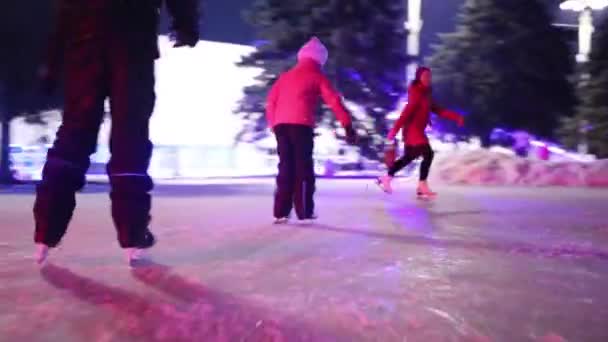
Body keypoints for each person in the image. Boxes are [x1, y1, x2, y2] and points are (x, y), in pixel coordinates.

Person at [33, 0, 200, 265]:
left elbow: (64, 8)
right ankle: (132, 233)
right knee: (130, 136)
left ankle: (46, 230)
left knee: (74, 133)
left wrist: (51, 63)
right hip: (132, 40)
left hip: (84, 41)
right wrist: (185, 24)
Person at [266, 37, 356, 223]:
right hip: (301, 126)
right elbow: (334, 101)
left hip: (281, 126)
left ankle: (281, 212)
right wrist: (347, 125)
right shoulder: (317, 76)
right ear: (320, 60)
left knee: (285, 167)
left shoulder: (284, 77)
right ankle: (304, 210)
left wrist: (274, 125)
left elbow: (271, 103)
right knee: (303, 169)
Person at [376, 66, 464, 197]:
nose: (428, 79)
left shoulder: (426, 94)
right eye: (425, 76)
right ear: (418, 78)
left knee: (408, 158)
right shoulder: (416, 94)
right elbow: (406, 113)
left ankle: (386, 178)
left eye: (429, 76)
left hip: (418, 131)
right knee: (428, 153)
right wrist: (394, 130)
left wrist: (456, 117)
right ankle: (422, 185)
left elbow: (439, 110)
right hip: (412, 131)